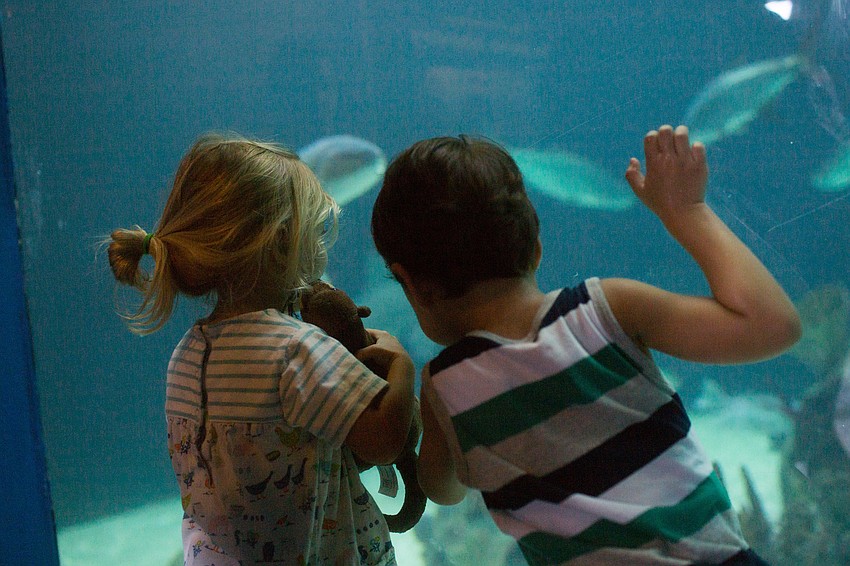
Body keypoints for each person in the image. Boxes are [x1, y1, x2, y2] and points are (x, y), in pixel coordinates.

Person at [370, 125, 802, 565]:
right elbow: (773, 326)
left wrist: (404, 384)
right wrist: (687, 212)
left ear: (410, 283)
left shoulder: (447, 387)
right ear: (537, 247)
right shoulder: (606, 310)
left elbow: (443, 489)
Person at [107, 133, 414, 566]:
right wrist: (402, 367)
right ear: (282, 240)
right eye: (316, 230)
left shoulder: (186, 355)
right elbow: (383, 441)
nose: (321, 246)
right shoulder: (298, 351)